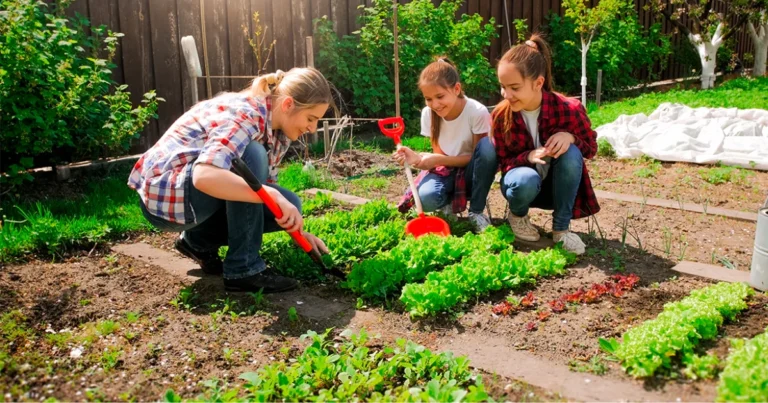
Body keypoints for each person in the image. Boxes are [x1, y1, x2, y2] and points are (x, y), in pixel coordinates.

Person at [128, 67, 333, 292]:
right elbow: (204, 176)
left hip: (193, 198)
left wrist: (298, 233)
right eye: (311, 118)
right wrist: (271, 194)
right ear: (288, 105)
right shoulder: (247, 114)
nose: (312, 128)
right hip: (167, 197)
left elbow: (264, 186)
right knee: (251, 154)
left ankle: (196, 242)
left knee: (289, 205)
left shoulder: (278, 130)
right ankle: (243, 270)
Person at [492, 35, 600, 254]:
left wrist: (571, 138)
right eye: (503, 87)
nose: (507, 95)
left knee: (571, 154)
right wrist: (528, 157)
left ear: (538, 83)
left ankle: (561, 230)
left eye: (514, 87)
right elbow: (503, 162)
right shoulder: (501, 115)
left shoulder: (569, 109)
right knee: (525, 178)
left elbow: (590, 149)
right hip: (523, 187)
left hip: (556, 189)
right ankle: (518, 216)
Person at [394, 57, 497, 232]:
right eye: (428, 98)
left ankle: (476, 212)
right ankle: (446, 205)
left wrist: (437, 160)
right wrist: (417, 158)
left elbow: (480, 157)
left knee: (488, 147)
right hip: (447, 170)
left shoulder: (476, 112)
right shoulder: (429, 113)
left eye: (440, 96)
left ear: (456, 89)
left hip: (474, 173)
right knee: (425, 198)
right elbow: (439, 157)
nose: (435, 104)